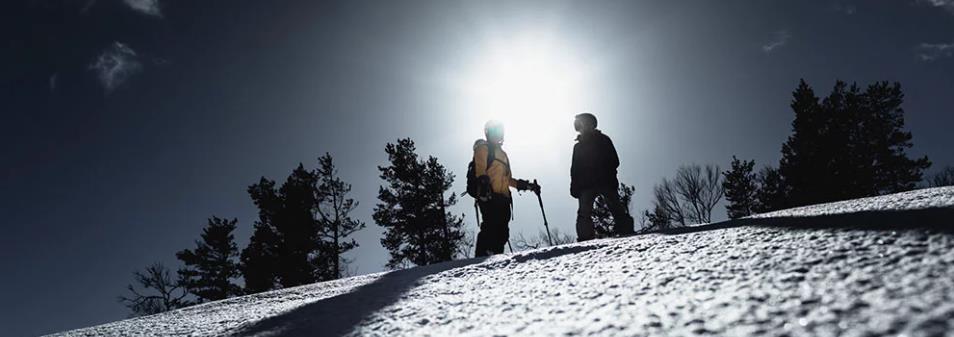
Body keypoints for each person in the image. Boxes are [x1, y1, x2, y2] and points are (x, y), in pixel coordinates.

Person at [473, 120, 538, 256]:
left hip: (504, 198)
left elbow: (508, 180)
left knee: (503, 232)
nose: (497, 135)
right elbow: (480, 170)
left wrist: (528, 186)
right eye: (494, 132)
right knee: (490, 227)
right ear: (488, 133)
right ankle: (480, 260)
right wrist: (484, 187)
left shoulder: (503, 155)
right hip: (489, 195)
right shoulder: (483, 148)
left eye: (499, 132)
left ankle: (497, 260)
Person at [570, 113, 634, 241]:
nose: (583, 127)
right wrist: (574, 185)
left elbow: (614, 160)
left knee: (616, 208)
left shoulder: (603, 139)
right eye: (580, 125)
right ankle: (585, 240)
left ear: (591, 124)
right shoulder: (578, 147)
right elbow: (575, 169)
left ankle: (627, 234)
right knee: (584, 213)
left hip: (605, 180)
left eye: (585, 123)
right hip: (585, 185)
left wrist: (607, 173)